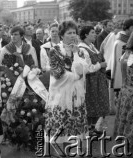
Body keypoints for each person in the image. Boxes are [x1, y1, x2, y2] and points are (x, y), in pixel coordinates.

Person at [44, 20, 88, 156]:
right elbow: (58, 74)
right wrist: (76, 76)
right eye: (69, 33)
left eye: (74, 32)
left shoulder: (80, 51)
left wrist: (75, 53)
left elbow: (83, 70)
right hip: (60, 96)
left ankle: (74, 153)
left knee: (75, 129)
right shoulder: (54, 50)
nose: (73, 35)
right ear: (62, 35)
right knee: (60, 130)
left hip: (76, 96)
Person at [78, 25, 109, 136]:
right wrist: (100, 65)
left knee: (98, 103)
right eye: (92, 32)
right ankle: (90, 129)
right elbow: (87, 68)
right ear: (86, 35)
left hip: (98, 80)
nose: (95, 34)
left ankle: (95, 128)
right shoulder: (82, 48)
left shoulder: (91, 46)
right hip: (91, 81)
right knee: (92, 103)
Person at [114, 31, 133, 152]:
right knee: (129, 121)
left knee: (124, 118)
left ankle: (124, 141)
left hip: (126, 90)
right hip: (130, 92)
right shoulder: (130, 56)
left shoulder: (126, 53)